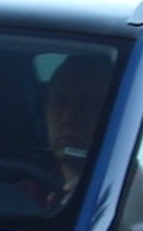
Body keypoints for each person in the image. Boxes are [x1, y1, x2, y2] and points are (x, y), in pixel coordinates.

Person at [41, 53, 115, 201]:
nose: (68, 118)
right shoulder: (22, 196)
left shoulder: (125, 193)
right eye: (59, 103)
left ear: (112, 113)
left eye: (86, 106)